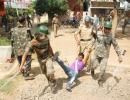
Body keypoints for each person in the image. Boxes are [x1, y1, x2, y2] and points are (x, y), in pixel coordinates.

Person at [19, 25, 56, 91]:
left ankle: (52, 82)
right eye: (43, 35)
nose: (45, 37)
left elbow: (49, 47)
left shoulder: (47, 38)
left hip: (48, 57)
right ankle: (50, 81)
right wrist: (21, 65)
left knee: (50, 72)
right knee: (45, 73)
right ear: (39, 34)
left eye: (45, 35)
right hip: (41, 60)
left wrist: (53, 55)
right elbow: (25, 54)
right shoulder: (32, 43)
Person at [90, 21, 123, 87]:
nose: (107, 30)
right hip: (97, 54)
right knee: (94, 66)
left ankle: (100, 80)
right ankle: (92, 69)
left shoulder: (111, 37)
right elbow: (92, 34)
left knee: (103, 69)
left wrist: (119, 55)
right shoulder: (98, 33)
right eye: (106, 28)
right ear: (104, 28)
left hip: (105, 56)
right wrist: (91, 46)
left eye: (109, 29)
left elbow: (116, 46)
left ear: (110, 29)